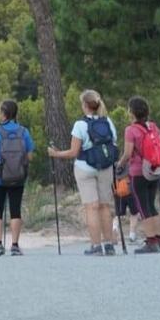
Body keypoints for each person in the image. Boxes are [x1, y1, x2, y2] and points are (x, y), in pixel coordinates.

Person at [48, 90, 117, 256]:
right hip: (105, 167)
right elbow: (113, 143)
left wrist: (56, 154)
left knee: (91, 207)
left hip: (85, 167)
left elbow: (73, 152)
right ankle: (109, 245)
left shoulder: (80, 125)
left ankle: (96, 246)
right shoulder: (107, 121)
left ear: (85, 105)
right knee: (105, 206)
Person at [117, 96, 160, 254]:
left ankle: (151, 241)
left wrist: (120, 163)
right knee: (151, 205)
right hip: (153, 169)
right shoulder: (153, 127)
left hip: (138, 172)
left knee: (142, 207)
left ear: (131, 112)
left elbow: (128, 153)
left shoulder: (131, 130)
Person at [0, 100, 35, 256]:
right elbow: (30, 156)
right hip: (18, 176)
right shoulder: (24, 132)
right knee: (16, 210)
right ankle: (15, 245)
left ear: (3, 113)